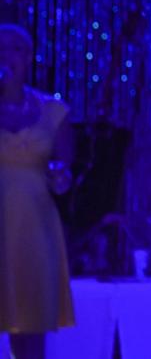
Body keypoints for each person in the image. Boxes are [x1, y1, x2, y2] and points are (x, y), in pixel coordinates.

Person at [0, 24, 74, 359]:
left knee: (29, 328)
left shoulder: (52, 111)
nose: (4, 54)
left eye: (13, 48)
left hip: (33, 226)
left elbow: (64, 170)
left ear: (28, 58)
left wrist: (61, 178)